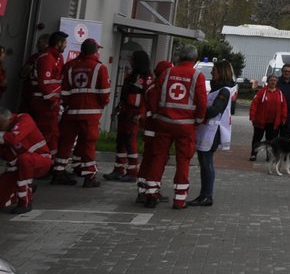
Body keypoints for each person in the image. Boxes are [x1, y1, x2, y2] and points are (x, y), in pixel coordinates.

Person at [137, 44, 206, 209]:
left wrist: (156, 114)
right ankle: (180, 199)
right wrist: (198, 119)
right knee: (183, 161)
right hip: (186, 126)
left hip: (164, 123)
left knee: (158, 157)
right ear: (195, 59)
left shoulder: (167, 73)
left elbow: (155, 94)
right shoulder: (197, 76)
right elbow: (202, 100)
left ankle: (150, 194)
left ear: (179, 57)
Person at [57, 38, 111, 186]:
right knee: (89, 144)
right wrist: (100, 106)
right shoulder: (100, 68)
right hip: (91, 113)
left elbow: (65, 92)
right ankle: (90, 176)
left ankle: (59, 171)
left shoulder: (70, 66)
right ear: (94, 51)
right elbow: (105, 93)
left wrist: (70, 104)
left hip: (71, 111)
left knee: (65, 142)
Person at [192, 60, 236, 208]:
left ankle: (207, 195)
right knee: (204, 163)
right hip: (207, 130)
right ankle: (204, 195)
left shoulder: (223, 90)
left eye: (214, 70)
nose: (211, 73)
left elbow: (215, 110)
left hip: (212, 131)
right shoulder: (217, 88)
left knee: (207, 163)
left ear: (221, 72)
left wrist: (197, 110)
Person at [0, 106, 52, 214]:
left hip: (40, 160)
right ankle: (23, 189)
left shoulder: (24, 119)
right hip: (17, 166)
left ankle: (25, 202)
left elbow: (14, 138)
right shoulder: (5, 131)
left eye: (1, 124)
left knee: (25, 159)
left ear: (8, 119)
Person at [110, 50, 153, 181]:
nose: (130, 61)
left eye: (132, 59)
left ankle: (133, 171)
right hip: (124, 112)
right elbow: (124, 95)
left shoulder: (146, 77)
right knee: (121, 141)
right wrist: (117, 109)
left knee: (130, 141)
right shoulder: (130, 76)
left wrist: (141, 114)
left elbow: (148, 97)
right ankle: (118, 169)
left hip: (134, 114)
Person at [26, 31, 66, 158]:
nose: (66, 45)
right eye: (64, 43)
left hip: (50, 103)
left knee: (53, 134)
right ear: (58, 43)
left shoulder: (57, 58)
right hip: (44, 103)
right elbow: (43, 83)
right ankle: (41, 161)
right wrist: (52, 100)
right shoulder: (46, 58)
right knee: (46, 133)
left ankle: (49, 163)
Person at [248, 72, 288, 162]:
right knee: (257, 139)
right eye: (271, 80)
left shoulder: (280, 93)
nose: (273, 82)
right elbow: (254, 104)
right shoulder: (261, 92)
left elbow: (284, 106)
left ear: (277, 82)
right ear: (268, 81)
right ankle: (253, 154)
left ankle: (269, 156)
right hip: (260, 121)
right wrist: (252, 115)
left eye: (275, 80)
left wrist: (283, 117)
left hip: (273, 122)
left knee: (271, 141)